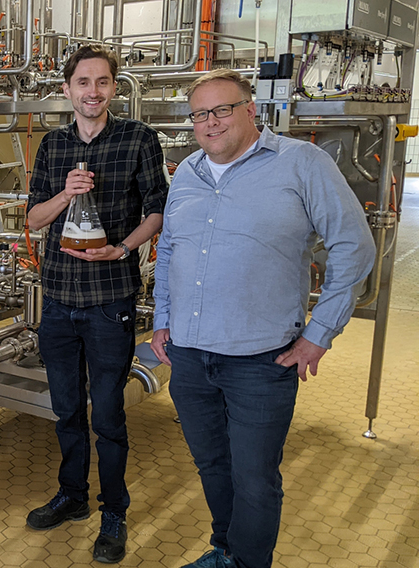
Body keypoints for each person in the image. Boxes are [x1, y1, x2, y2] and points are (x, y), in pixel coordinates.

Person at [150, 69, 376, 568]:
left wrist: (320, 334)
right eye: (199, 114)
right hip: (189, 353)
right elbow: (168, 249)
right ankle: (225, 550)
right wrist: (162, 317)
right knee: (212, 464)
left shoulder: (302, 163)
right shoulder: (187, 171)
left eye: (222, 109)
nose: (210, 123)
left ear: (250, 110)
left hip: (261, 359)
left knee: (254, 477)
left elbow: (354, 247)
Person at [25, 45, 169, 563]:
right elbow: (34, 219)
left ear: (114, 87)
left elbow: (159, 211)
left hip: (111, 300)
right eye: (83, 82)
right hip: (59, 299)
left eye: (103, 82)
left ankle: (114, 510)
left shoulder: (138, 139)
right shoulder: (52, 146)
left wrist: (124, 248)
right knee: (65, 408)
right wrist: (65, 195)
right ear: (67, 90)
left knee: (107, 411)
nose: (93, 91)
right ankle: (73, 496)